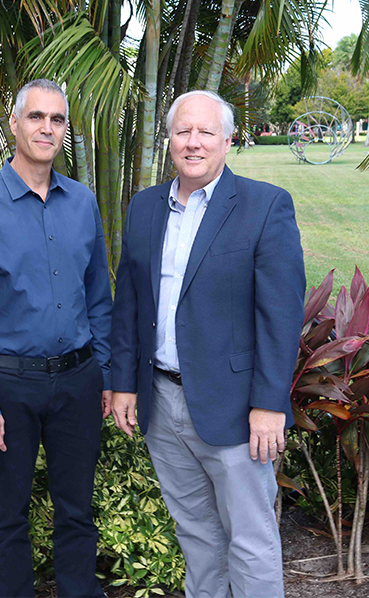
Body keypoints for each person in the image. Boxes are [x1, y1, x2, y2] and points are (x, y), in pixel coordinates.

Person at [110, 90, 305, 597]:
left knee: (250, 539)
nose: (193, 143)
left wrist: (269, 405)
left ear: (228, 140)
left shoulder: (265, 206)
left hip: (236, 409)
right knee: (196, 535)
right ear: (169, 138)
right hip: (162, 402)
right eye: (183, 131)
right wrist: (125, 383)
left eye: (205, 132)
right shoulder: (145, 207)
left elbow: (280, 317)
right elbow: (130, 302)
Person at [0, 79, 113, 598]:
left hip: (78, 383)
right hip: (9, 388)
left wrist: (104, 374)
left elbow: (98, 299)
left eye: (57, 119)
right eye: (36, 117)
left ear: (65, 129)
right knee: (8, 519)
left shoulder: (83, 203)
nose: (47, 128)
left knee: (76, 513)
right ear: (14, 124)